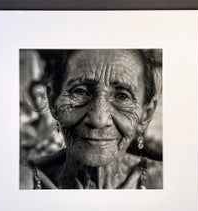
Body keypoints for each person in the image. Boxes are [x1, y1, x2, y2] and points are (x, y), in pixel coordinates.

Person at [20, 49, 162, 189]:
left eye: (122, 96)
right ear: (53, 102)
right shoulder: (21, 183)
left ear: (146, 114)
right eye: (80, 91)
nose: (98, 120)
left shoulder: (164, 181)